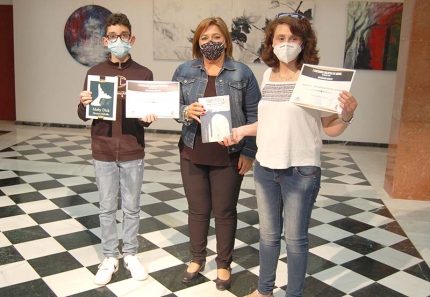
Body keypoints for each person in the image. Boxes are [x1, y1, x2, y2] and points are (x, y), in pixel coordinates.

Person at [221, 13, 358, 297]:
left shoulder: (315, 78)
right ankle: (264, 291)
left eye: (293, 38)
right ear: (271, 42)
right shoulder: (268, 75)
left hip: (301, 170)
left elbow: (330, 127)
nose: (286, 44)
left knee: (295, 240)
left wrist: (347, 113)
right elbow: (271, 121)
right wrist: (242, 131)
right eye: (280, 38)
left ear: (303, 42)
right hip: (266, 167)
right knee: (268, 236)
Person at [172, 17, 261, 291]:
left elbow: (255, 115)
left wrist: (248, 152)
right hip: (192, 150)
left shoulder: (242, 73)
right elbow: (171, 104)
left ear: (226, 41)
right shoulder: (185, 70)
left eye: (216, 37)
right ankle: (197, 259)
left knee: (224, 211)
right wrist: (185, 111)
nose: (210, 43)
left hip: (230, 154)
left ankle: (223, 264)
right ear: (197, 42)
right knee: (197, 211)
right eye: (205, 38)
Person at [77, 13, 158, 286]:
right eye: (113, 36)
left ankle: (131, 254)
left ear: (131, 39)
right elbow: (83, 114)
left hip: (133, 149)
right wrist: (84, 102)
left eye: (123, 36)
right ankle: (110, 255)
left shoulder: (143, 74)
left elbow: (145, 116)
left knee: (132, 207)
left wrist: (148, 115)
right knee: (107, 208)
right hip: (103, 149)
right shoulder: (94, 73)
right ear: (105, 40)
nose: (118, 41)